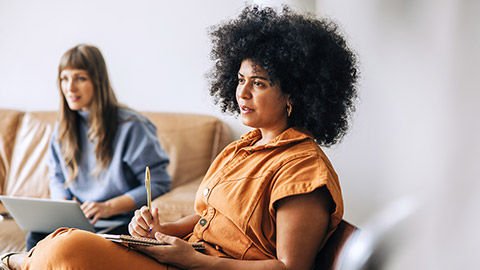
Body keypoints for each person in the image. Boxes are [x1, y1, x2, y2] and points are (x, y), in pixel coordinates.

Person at [2, 5, 358, 270]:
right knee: (62, 240)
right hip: (184, 260)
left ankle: (15, 262)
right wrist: (161, 230)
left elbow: (289, 268)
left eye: (259, 83)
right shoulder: (241, 148)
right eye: (239, 79)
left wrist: (194, 261)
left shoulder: (303, 169)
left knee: (65, 251)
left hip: (200, 267)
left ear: (296, 94)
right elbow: (208, 218)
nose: (242, 93)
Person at [24, 44, 172, 250]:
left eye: (80, 78)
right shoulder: (63, 128)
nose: (70, 87)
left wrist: (109, 207)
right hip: (80, 222)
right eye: (64, 78)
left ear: (98, 81)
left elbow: (159, 183)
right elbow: (56, 175)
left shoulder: (132, 126)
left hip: (120, 223)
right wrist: (65, 206)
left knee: (80, 247)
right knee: (36, 238)